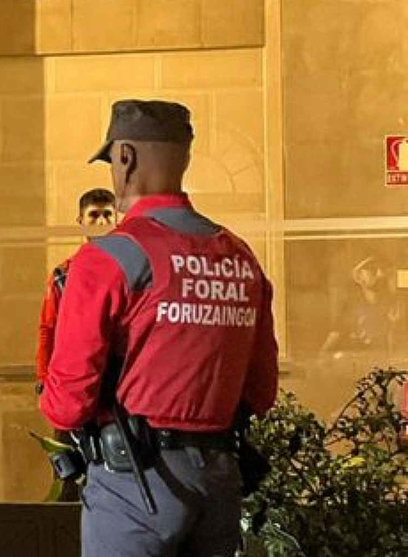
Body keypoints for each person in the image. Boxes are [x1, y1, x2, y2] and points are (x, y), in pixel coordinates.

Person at [40, 100, 279, 556]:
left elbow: (67, 404)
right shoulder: (240, 257)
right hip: (219, 481)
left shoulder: (106, 259)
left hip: (135, 487)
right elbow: (261, 390)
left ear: (124, 157)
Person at [36, 188, 117, 393]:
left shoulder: (129, 268)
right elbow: (49, 328)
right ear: (81, 222)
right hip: (77, 378)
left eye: (107, 215)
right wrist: (44, 377)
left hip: (120, 377)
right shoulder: (63, 276)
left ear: (117, 220)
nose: (101, 223)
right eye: (94, 215)